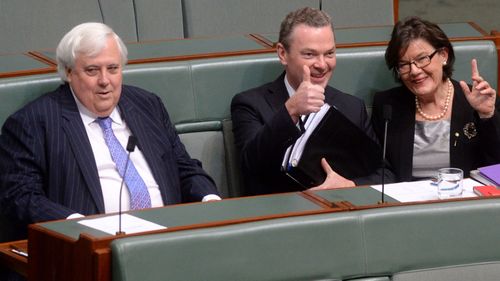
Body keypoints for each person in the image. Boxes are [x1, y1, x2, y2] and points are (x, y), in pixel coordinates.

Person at [0, 22, 220, 239]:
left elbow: (183, 167)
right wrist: (74, 226)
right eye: (92, 70)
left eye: (112, 69)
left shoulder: (147, 106)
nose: (104, 81)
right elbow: (20, 196)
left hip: (169, 240)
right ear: (69, 72)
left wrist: (209, 199)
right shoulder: (34, 122)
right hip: (89, 251)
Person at [231, 7, 393, 195]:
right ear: (283, 54)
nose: (322, 64)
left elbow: (384, 175)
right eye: (310, 54)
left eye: (329, 54)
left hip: (340, 212)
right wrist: (290, 110)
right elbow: (251, 165)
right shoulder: (250, 104)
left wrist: (350, 185)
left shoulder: (352, 107)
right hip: (279, 216)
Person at [371, 16, 500, 182]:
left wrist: (487, 116)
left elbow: (496, 167)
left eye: (422, 59)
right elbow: (380, 169)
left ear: (443, 55)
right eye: (404, 64)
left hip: (462, 202)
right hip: (407, 204)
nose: (414, 71)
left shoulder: (477, 101)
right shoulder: (387, 106)